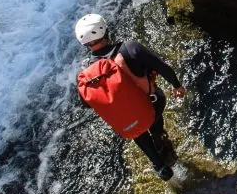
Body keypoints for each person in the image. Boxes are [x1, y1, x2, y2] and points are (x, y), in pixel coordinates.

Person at [75, 13, 186, 181]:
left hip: (125, 119)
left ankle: (159, 165)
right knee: (154, 123)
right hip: (152, 105)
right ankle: (162, 144)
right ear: (106, 31)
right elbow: (163, 68)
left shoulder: (87, 72)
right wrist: (177, 86)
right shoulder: (130, 48)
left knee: (136, 131)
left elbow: (86, 103)